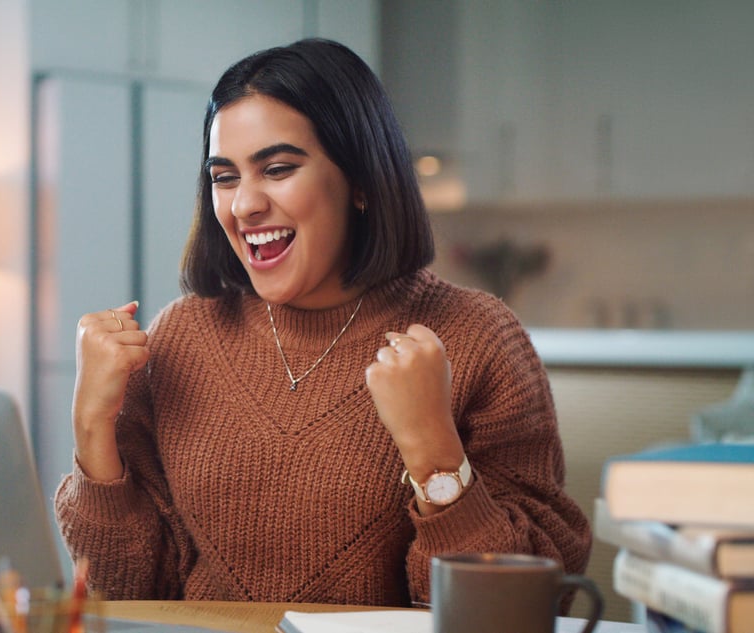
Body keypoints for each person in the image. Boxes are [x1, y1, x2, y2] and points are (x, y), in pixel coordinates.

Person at [54, 38, 590, 607]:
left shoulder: (478, 336)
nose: (244, 206)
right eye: (224, 176)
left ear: (360, 181)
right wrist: (92, 425)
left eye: (278, 168)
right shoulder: (180, 337)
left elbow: (525, 607)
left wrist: (434, 449)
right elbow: (126, 591)